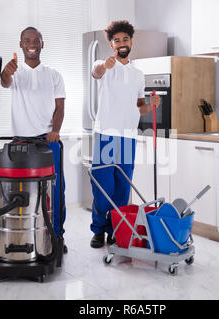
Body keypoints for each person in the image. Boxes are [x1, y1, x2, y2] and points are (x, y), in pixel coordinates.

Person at [89, 20, 160, 248]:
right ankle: (99, 230)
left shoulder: (139, 74)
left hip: (128, 136)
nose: (121, 43)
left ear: (131, 41)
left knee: (122, 189)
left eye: (125, 39)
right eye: (117, 40)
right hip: (106, 135)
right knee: (103, 188)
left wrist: (152, 105)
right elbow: (95, 72)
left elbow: (140, 106)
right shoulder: (104, 64)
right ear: (111, 44)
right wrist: (104, 66)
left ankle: (116, 230)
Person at [0, 26, 67, 252]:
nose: (31, 43)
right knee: (22, 192)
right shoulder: (15, 72)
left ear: (42, 43)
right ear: (21, 45)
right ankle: (24, 236)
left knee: (56, 190)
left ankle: (57, 236)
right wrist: (6, 72)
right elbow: (5, 82)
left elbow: (60, 107)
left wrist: (55, 130)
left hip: (48, 141)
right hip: (21, 141)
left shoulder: (54, 75)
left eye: (36, 40)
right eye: (27, 40)